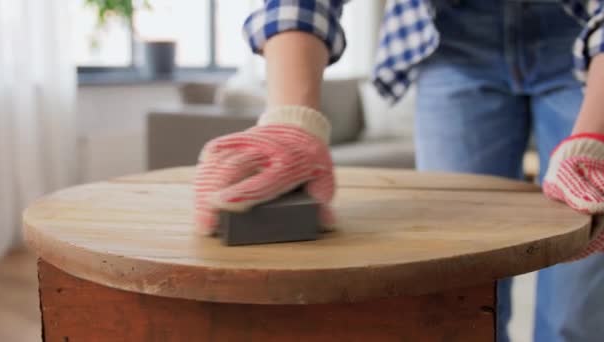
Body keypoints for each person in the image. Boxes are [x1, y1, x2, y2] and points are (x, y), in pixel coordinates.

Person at [194, 1, 604, 341]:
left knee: (579, 298)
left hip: (579, 30)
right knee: (459, 288)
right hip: (452, 38)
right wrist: (290, 118)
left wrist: (595, 137)